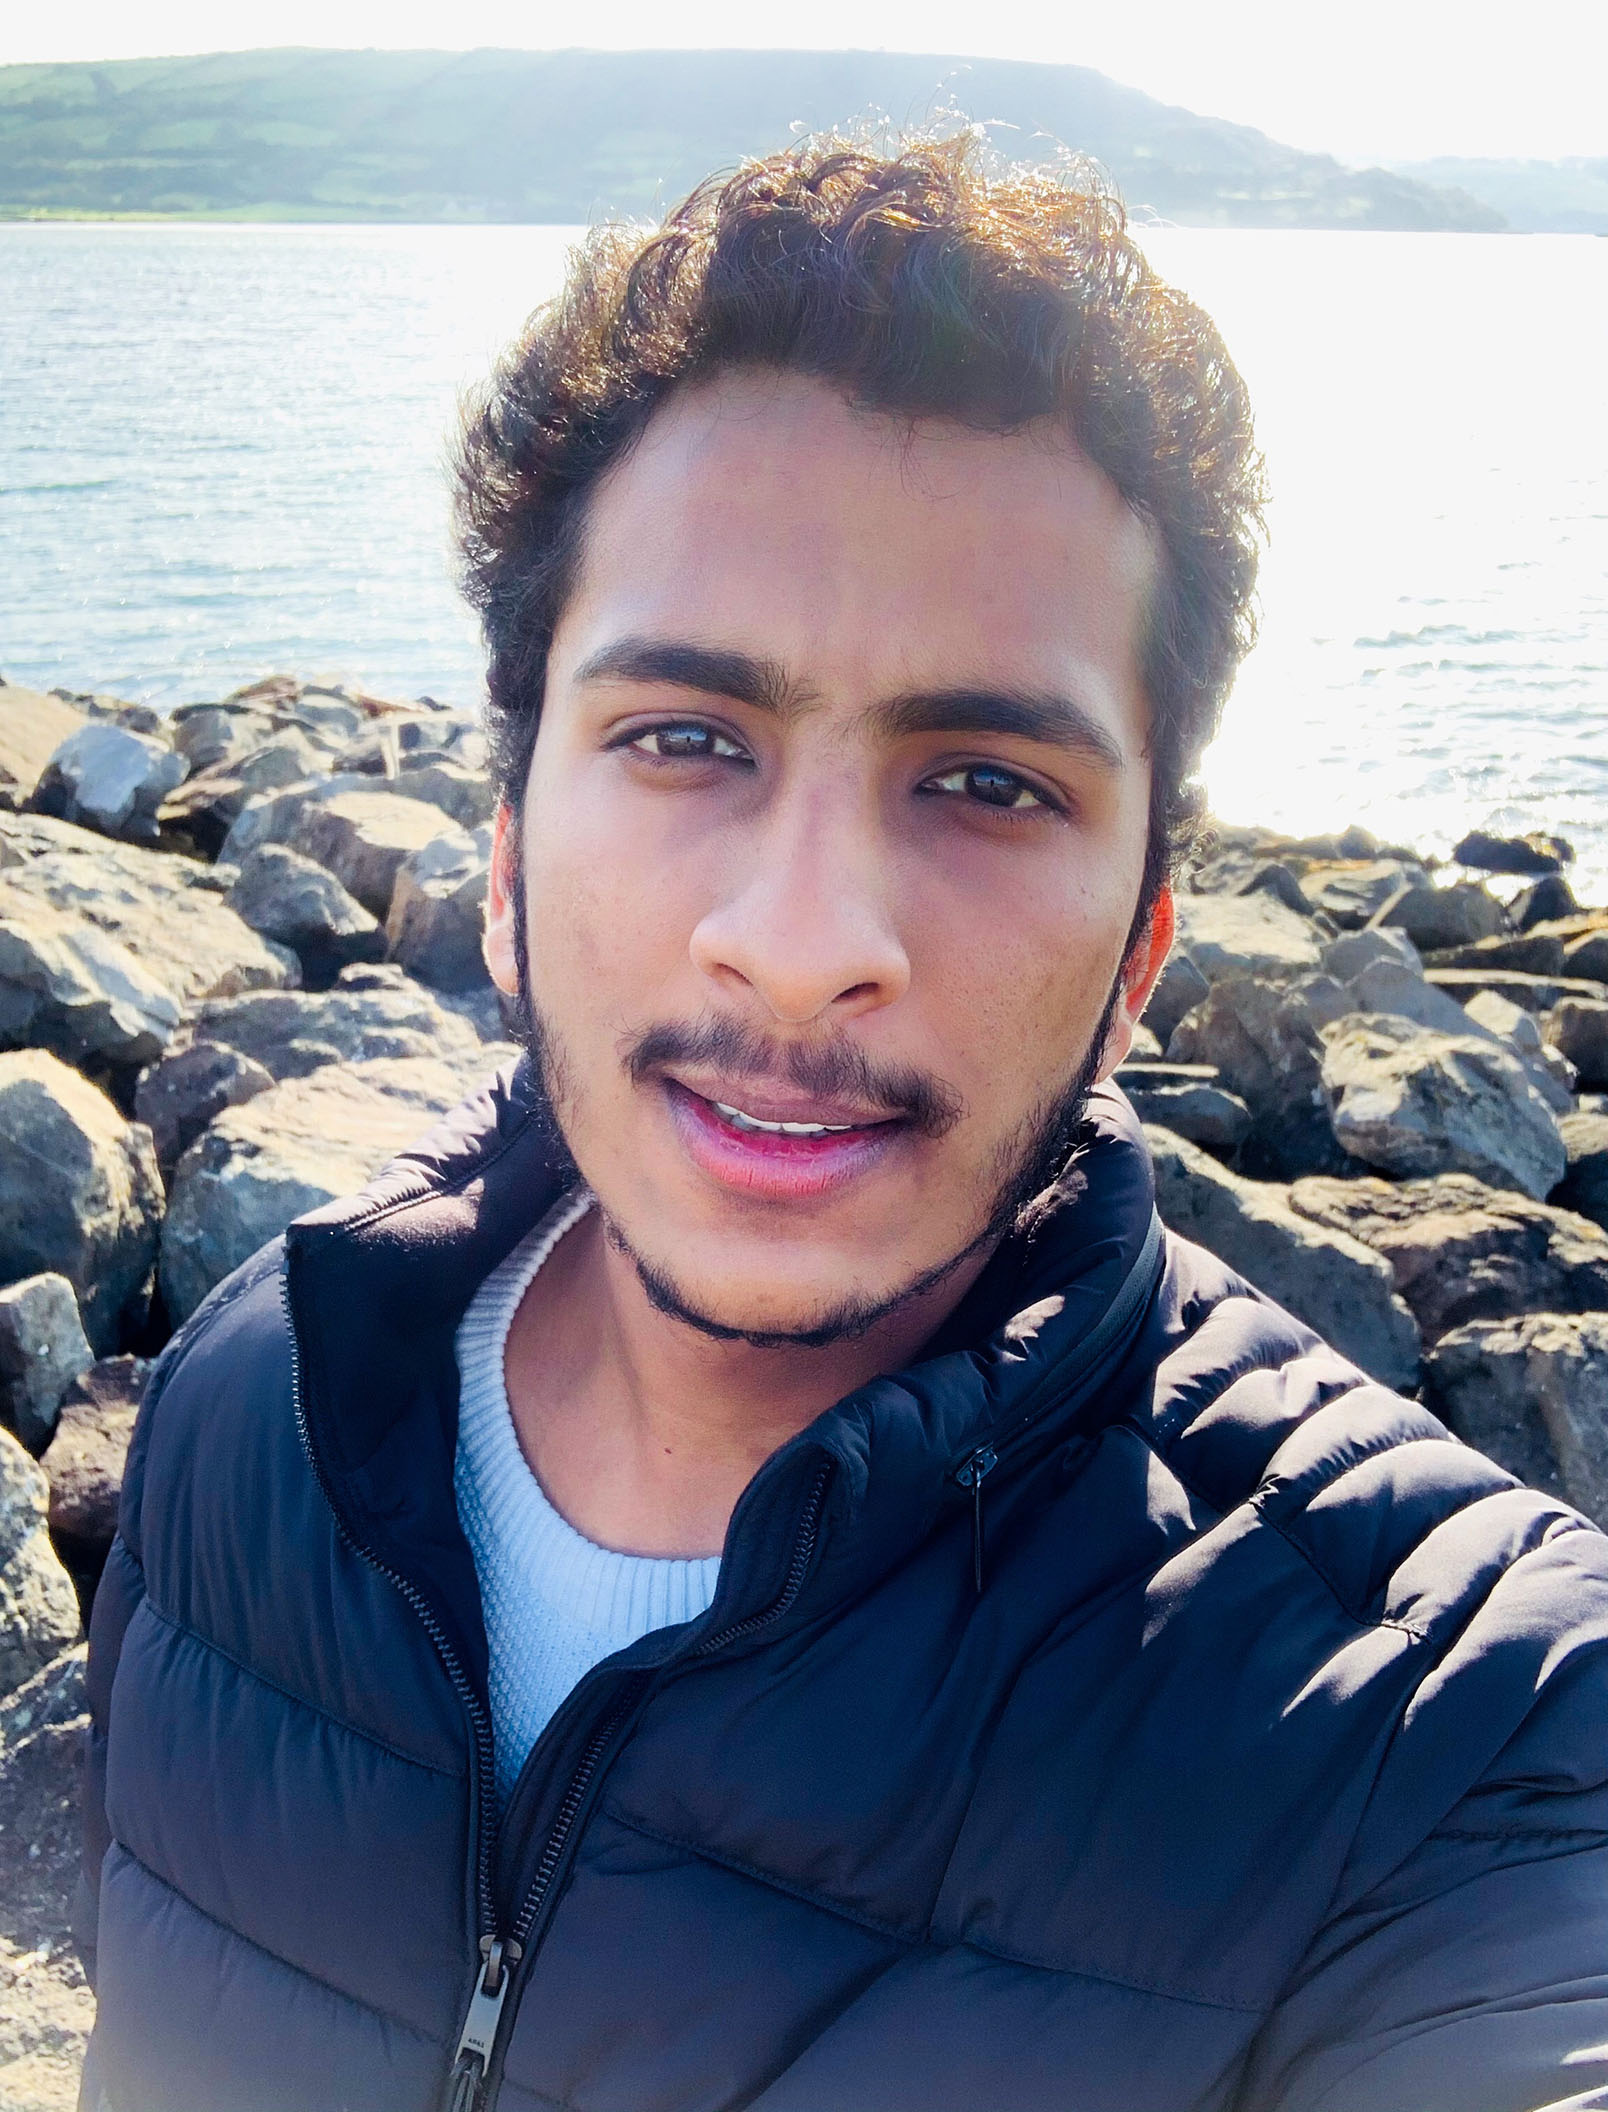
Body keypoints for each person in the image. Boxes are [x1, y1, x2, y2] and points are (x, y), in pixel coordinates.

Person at [79, 135, 1608, 2112]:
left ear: (1143, 944)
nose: (802, 950)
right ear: (510, 857)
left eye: (986, 782)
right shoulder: (249, 1415)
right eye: (685, 739)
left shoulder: (1453, 1734)